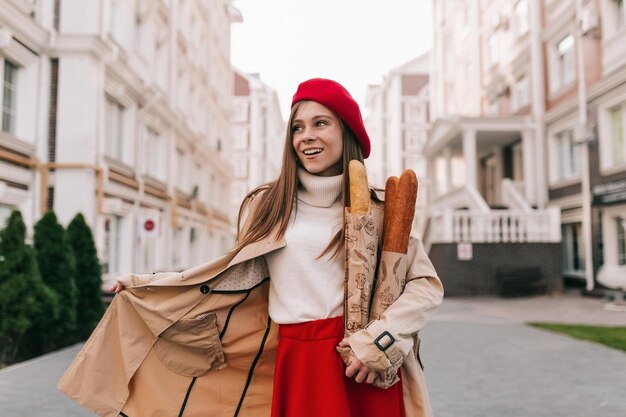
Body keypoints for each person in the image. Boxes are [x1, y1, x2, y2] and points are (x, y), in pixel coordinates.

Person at [64, 78, 443, 417]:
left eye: (320, 123)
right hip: (299, 359)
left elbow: (425, 285)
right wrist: (149, 285)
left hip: (367, 362)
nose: (306, 136)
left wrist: (381, 340)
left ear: (348, 133)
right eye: (297, 127)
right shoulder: (269, 205)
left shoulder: (382, 208)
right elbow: (233, 273)